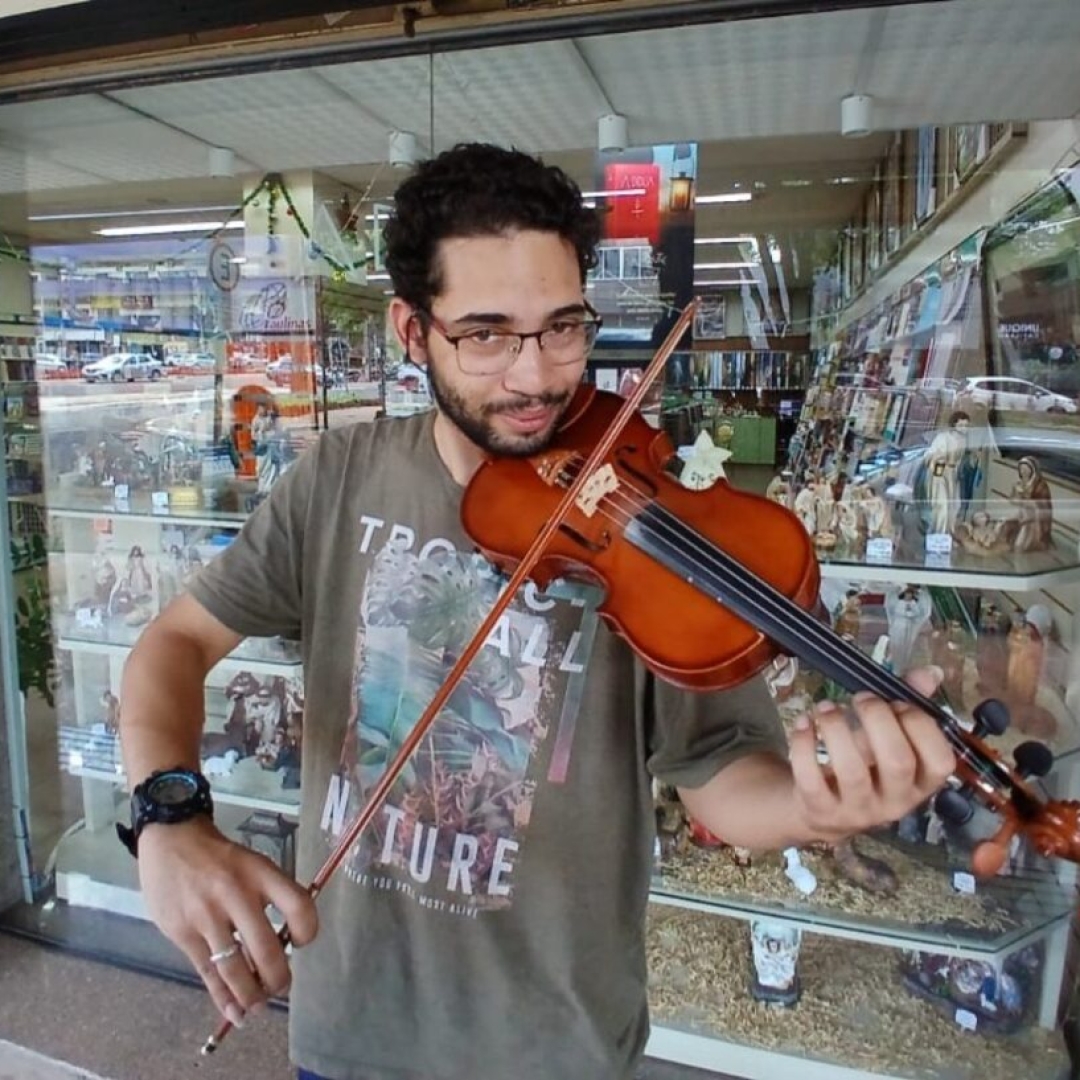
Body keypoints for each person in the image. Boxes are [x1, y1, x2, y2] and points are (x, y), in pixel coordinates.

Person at [117, 143, 955, 1080]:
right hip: (351, 1028)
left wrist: (821, 806)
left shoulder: (653, 521)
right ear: (410, 331)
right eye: (486, 334)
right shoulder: (339, 477)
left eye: (564, 327)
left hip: (556, 1044)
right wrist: (169, 815)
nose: (537, 377)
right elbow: (177, 642)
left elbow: (719, 776)